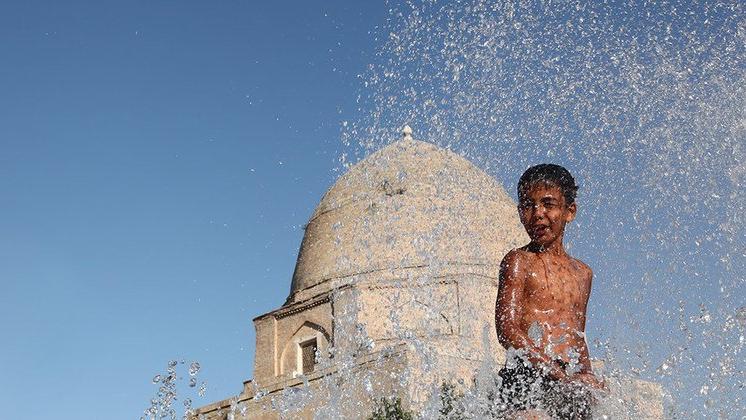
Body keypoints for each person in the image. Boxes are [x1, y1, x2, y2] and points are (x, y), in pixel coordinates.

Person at [495, 164, 605, 420]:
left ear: (570, 211)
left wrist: (586, 375)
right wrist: (557, 374)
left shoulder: (583, 273)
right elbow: (507, 329)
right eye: (528, 205)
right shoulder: (519, 261)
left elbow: (577, 336)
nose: (538, 214)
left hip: (568, 379)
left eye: (548, 204)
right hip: (528, 375)